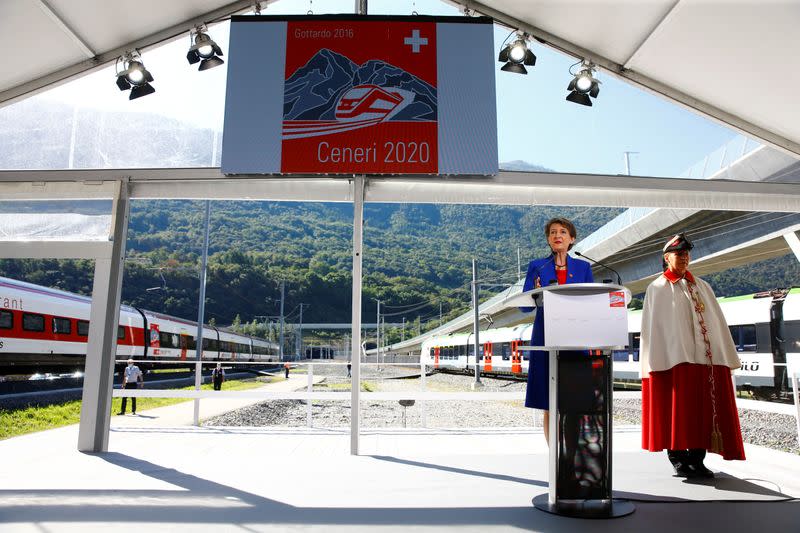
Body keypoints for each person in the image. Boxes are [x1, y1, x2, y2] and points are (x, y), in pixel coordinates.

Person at [640, 233, 745, 478]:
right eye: (679, 253)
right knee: (676, 409)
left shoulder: (702, 286)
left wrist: (721, 353)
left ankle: (698, 459)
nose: (684, 257)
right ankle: (677, 458)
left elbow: (716, 322)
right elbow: (654, 330)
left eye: (687, 253)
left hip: (705, 361)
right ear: (667, 258)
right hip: (673, 361)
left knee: (703, 410)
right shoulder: (657, 289)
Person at [521, 217, 594, 443]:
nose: (557, 235)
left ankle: (571, 454)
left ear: (572, 239)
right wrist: (534, 292)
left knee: (574, 401)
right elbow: (524, 306)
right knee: (548, 402)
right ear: (548, 239)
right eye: (552, 232)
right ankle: (555, 458)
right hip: (545, 338)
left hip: (575, 338)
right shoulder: (537, 266)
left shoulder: (583, 267)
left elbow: (592, 303)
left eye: (563, 231)